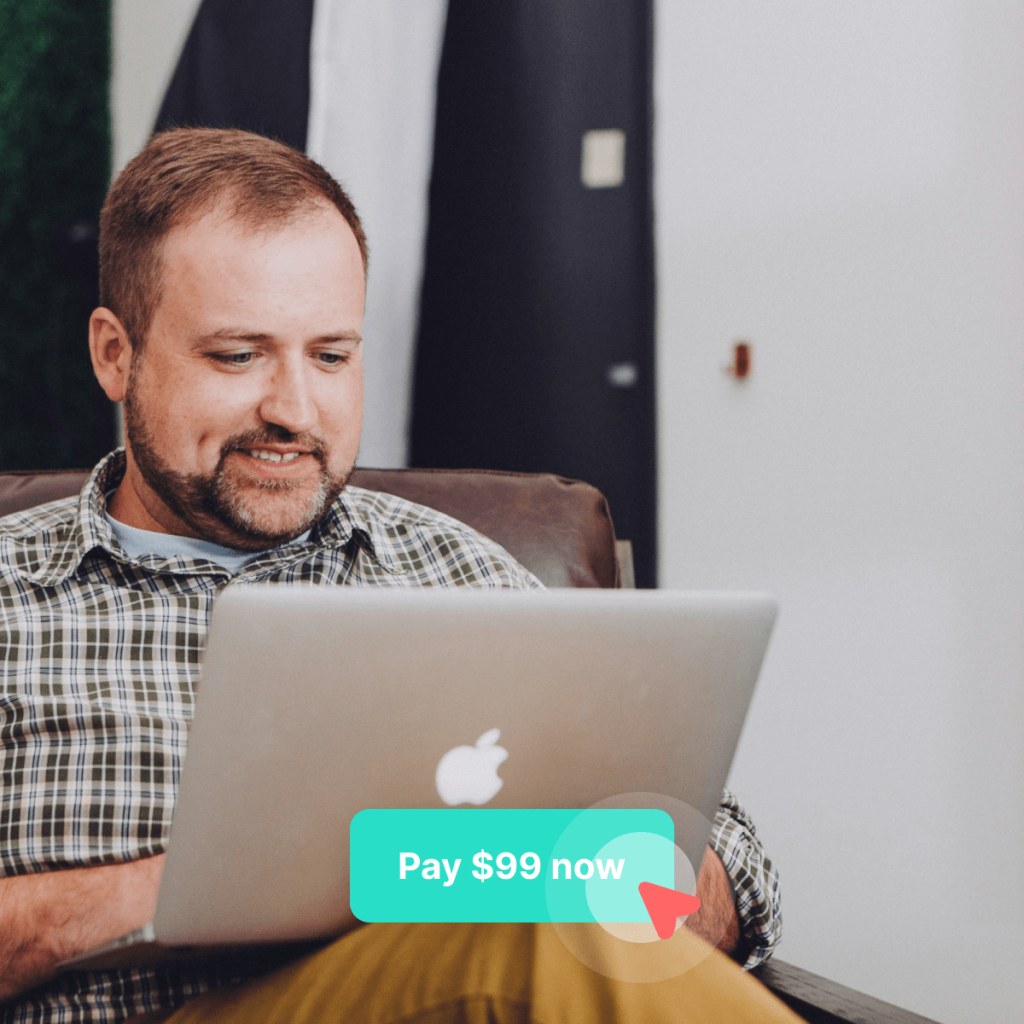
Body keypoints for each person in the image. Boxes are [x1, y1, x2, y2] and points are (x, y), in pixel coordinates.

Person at [0, 129, 787, 1024]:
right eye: (237, 355)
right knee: (530, 945)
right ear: (116, 354)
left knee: (578, 936)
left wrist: (546, 870)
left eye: (331, 355)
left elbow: (723, 856)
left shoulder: (451, 570)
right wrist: (228, 883)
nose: (294, 411)